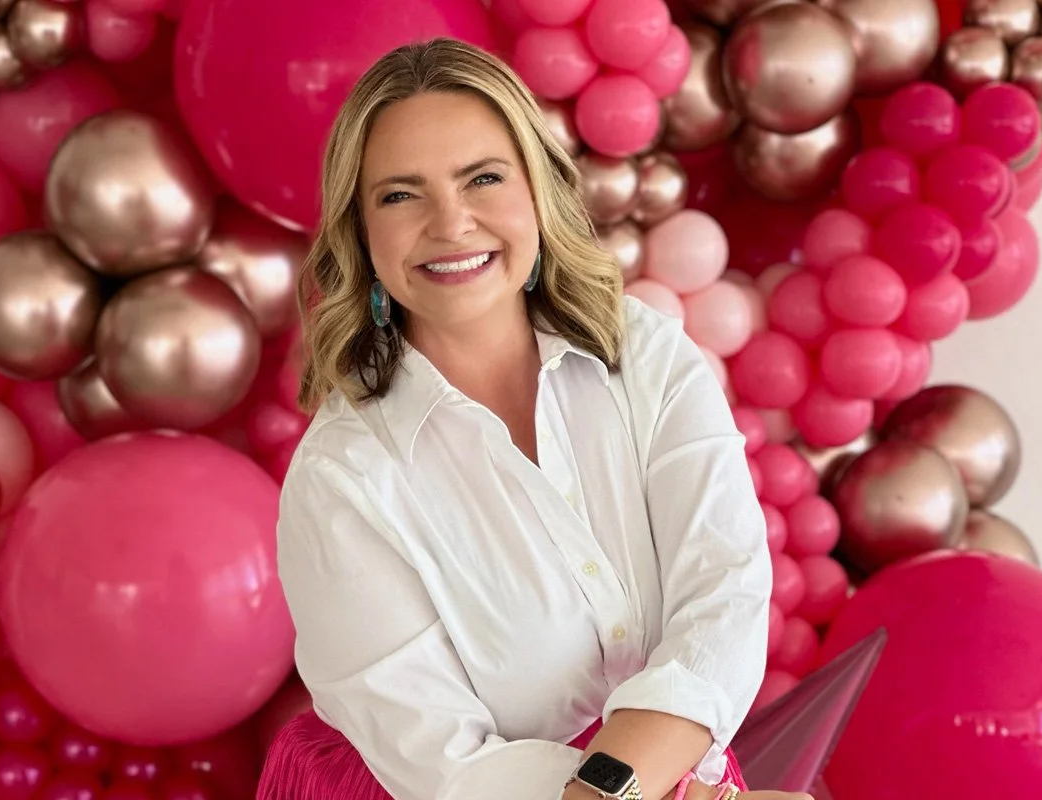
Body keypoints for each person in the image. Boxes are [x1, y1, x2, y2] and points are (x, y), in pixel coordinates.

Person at [267, 37, 807, 800]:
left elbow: (723, 594)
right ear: (360, 232)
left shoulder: (645, 353)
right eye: (400, 195)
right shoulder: (341, 478)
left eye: (483, 178)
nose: (452, 223)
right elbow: (449, 768)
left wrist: (636, 787)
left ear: (537, 191)